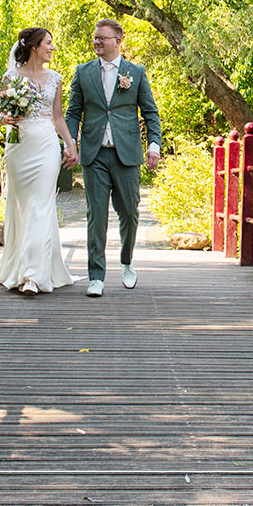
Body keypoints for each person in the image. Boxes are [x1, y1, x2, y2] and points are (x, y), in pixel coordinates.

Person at [64, 19, 161, 298]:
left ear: (118, 41)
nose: (96, 42)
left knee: (129, 212)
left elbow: (150, 113)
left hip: (127, 154)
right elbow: (73, 113)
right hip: (93, 154)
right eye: (95, 38)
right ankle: (96, 276)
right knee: (96, 215)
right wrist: (71, 143)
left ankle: (127, 261)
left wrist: (153, 145)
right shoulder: (83, 72)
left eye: (102, 38)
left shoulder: (136, 73)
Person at [0, 28, 79, 295]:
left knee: (40, 205)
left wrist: (70, 143)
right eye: (49, 43)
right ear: (34, 47)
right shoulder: (11, 77)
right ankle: (19, 268)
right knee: (22, 207)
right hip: (19, 147)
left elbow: (57, 117)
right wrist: (5, 119)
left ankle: (33, 276)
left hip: (45, 145)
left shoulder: (55, 78)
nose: (53, 48)